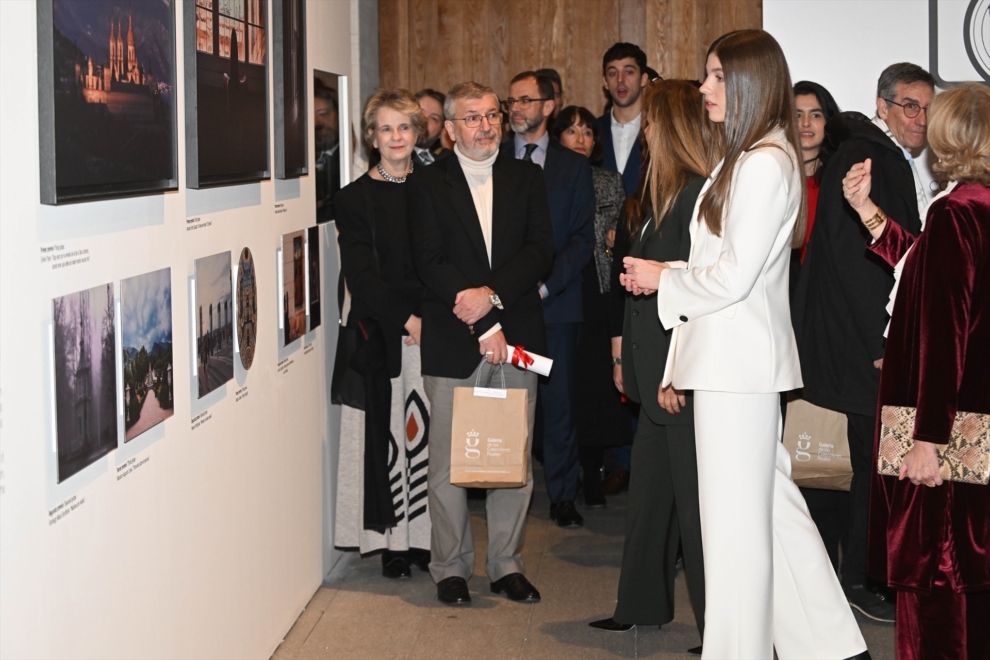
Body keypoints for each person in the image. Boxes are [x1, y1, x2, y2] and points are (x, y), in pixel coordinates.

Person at [621, 30, 869, 659]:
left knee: (734, 530)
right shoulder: (755, 157)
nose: (705, 88)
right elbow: (735, 270)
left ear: (751, 83)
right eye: (707, 76)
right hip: (734, 363)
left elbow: (733, 278)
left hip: (738, 368)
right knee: (775, 513)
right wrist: (673, 289)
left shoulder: (762, 162)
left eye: (716, 76)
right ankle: (833, 646)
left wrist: (662, 277)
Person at [840, 82, 990, 660]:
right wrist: (867, 212)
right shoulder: (970, 205)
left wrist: (928, 441)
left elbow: (945, 330)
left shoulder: (957, 211)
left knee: (939, 581)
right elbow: (922, 267)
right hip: (972, 422)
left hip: (946, 431)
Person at [793, 62, 935, 623]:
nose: (919, 117)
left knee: (872, 466)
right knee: (874, 468)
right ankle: (863, 580)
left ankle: (861, 576)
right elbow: (858, 261)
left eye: (926, 107)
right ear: (882, 106)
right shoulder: (867, 156)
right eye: (908, 105)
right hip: (866, 343)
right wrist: (885, 338)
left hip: (863, 339)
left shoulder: (874, 153)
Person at [406, 81, 555, 606]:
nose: (486, 125)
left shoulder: (527, 177)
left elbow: (541, 251)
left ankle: (506, 565)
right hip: (454, 341)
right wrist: (477, 316)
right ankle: (450, 568)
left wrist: (490, 298)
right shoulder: (426, 183)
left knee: (509, 456)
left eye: (493, 114)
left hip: (517, 336)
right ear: (449, 129)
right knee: (450, 461)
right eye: (472, 118)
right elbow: (427, 259)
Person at [587, 81, 709, 653]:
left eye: (655, 123)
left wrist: (672, 373)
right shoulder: (654, 191)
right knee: (651, 501)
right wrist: (623, 354)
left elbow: (702, 295)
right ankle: (638, 605)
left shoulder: (697, 196)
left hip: (678, 378)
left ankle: (723, 631)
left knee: (697, 511)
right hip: (649, 366)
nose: (647, 132)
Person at [333, 89, 430, 580]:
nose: (396, 137)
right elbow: (362, 277)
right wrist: (407, 321)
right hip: (383, 335)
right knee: (389, 437)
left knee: (428, 438)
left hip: (436, 331)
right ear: (371, 137)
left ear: (418, 133)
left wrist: (430, 319)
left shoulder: (437, 187)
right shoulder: (353, 200)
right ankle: (394, 543)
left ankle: (427, 541)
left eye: (405, 127)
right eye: (385, 128)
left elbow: (450, 262)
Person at [500, 72, 595, 528]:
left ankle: (562, 494)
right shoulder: (490, 159)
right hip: (500, 312)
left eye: (525, 100)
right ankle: (495, 482)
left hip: (553, 309)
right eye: (511, 100)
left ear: (548, 105)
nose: (515, 108)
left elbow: (581, 240)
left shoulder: (572, 168)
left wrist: (542, 287)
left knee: (557, 404)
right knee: (501, 398)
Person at [552, 105, 632, 508]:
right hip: (565, 288)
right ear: (558, 138)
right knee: (572, 387)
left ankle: (596, 472)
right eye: (571, 131)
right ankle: (574, 474)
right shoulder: (547, 178)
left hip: (600, 288)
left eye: (587, 131)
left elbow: (619, 236)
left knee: (600, 388)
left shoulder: (609, 181)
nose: (581, 138)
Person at [598, 43, 650, 195]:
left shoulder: (658, 130)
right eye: (613, 73)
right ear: (605, 82)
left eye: (628, 72)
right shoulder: (593, 131)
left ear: (643, 79)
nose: (620, 80)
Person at [315, 79, 341, 222]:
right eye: (311, 117)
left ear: (338, 116)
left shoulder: (353, 166)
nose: (317, 123)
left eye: (323, 114)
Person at [413, 88, 452, 166]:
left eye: (434, 118)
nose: (425, 120)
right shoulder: (397, 155)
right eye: (420, 113)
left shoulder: (442, 158)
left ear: (441, 131)